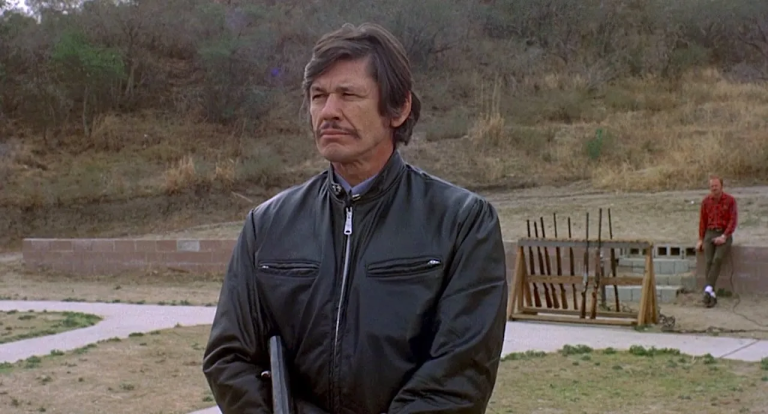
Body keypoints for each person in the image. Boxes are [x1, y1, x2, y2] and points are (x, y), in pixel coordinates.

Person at [202, 22, 509, 414]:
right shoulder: (267, 225)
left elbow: (459, 377)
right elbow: (229, 359)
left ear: (399, 108)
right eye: (318, 96)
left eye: (348, 95)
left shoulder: (462, 223)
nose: (328, 111)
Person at [696, 175, 738, 308]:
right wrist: (701, 239)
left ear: (721, 186)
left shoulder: (730, 201)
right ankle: (711, 294)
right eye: (711, 186)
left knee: (717, 259)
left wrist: (724, 236)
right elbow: (702, 221)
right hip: (710, 232)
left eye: (716, 186)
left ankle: (707, 290)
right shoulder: (706, 202)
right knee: (708, 261)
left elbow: (733, 221)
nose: (714, 188)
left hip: (724, 233)